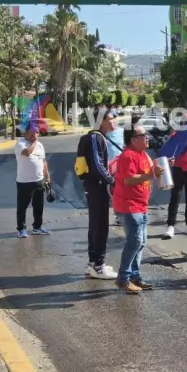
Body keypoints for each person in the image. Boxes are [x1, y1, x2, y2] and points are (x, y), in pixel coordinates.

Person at [113, 125, 163, 294]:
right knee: (135, 242)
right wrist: (151, 175)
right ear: (133, 140)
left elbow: (150, 170)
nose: (147, 137)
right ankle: (123, 279)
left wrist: (163, 166)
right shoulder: (128, 156)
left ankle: (135, 277)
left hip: (140, 204)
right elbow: (128, 180)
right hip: (129, 205)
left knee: (140, 243)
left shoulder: (143, 155)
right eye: (143, 135)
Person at [76, 109, 118, 279]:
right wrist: (112, 181)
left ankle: (93, 263)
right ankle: (98, 265)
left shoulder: (96, 137)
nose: (114, 121)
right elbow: (98, 165)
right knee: (100, 226)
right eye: (111, 118)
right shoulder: (95, 137)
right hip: (97, 187)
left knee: (96, 224)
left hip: (95, 186)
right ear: (101, 121)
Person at [15, 121, 52, 238]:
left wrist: (47, 176)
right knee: (22, 206)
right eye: (32, 133)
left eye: (37, 133)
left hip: (39, 180)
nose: (35, 135)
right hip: (24, 181)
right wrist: (35, 142)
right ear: (26, 133)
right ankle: (21, 229)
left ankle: (37, 227)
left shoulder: (40, 145)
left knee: (38, 206)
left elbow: (43, 161)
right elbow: (27, 153)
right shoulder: (20, 143)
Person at [164, 113, 187, 239]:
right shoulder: (176, 134)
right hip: (178, 169)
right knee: (175, 198)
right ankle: (170, 226)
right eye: (184, 122)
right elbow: (170, 150)